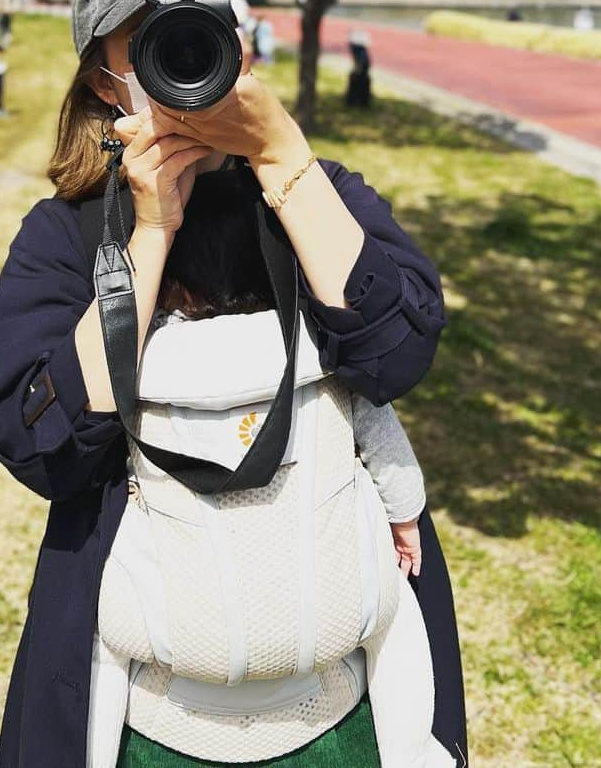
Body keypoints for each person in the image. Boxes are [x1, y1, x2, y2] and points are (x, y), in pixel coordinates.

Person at [0, 0, 468, 768]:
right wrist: (148, 234)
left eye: (200, 30)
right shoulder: (65, 233)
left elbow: (399, 354)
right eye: (150, 45)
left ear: (240, 44)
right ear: (105, 79)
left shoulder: (315, 192)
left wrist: (282, 158)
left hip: (341, 710)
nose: (183, 61)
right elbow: (39, 444)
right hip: (148, 720)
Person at [90, 166, 452, 767]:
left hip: (172, 706)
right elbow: (385, 445)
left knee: (99, 648)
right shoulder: (330, 360)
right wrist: (406, 515)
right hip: (323, 695)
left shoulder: (135, 371)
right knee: (402, 624)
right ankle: (416, 750)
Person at [346, 29, 372, 109]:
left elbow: (363, 64)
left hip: (361, 75)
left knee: (359, 82)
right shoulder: (360, 52)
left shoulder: (360, 52)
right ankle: (356, 102)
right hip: (361, 72)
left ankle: (357, 102)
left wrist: (357, 72)